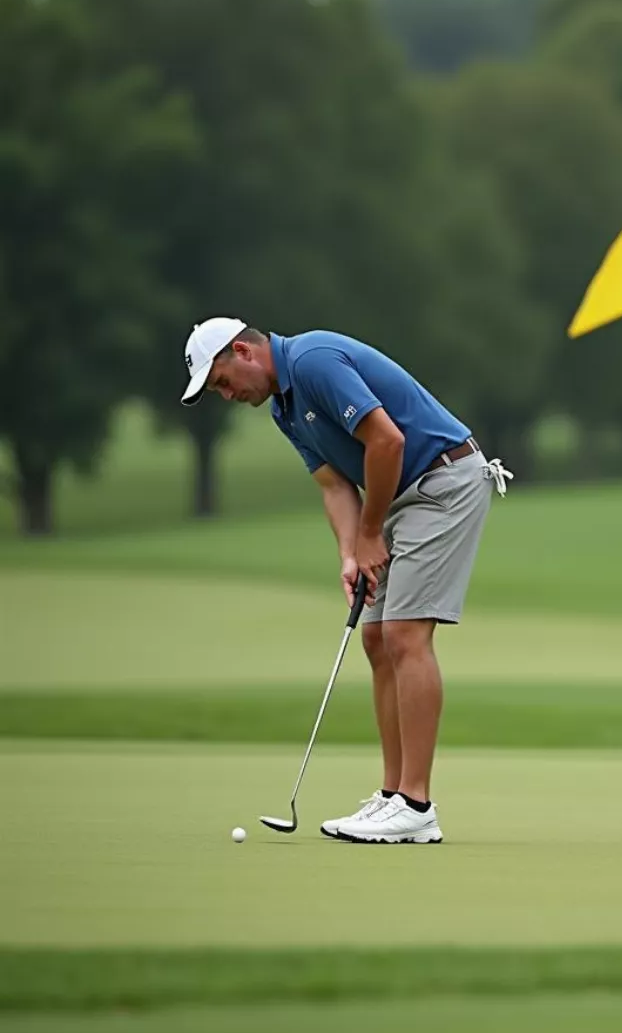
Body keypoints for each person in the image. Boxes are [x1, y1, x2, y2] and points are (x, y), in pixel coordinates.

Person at [181, 316, 511, 844]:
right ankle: (392, 797)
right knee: (376, 637)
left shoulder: (311, 361)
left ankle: (416, 803)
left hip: (442, 482)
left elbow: (386, 441)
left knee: (405, 634)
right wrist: (350, 552)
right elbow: (335, 487)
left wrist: (372, 531)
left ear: (242, 351)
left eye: (222, 382)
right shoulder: (285, 411)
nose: (227, 395)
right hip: (401, 496)